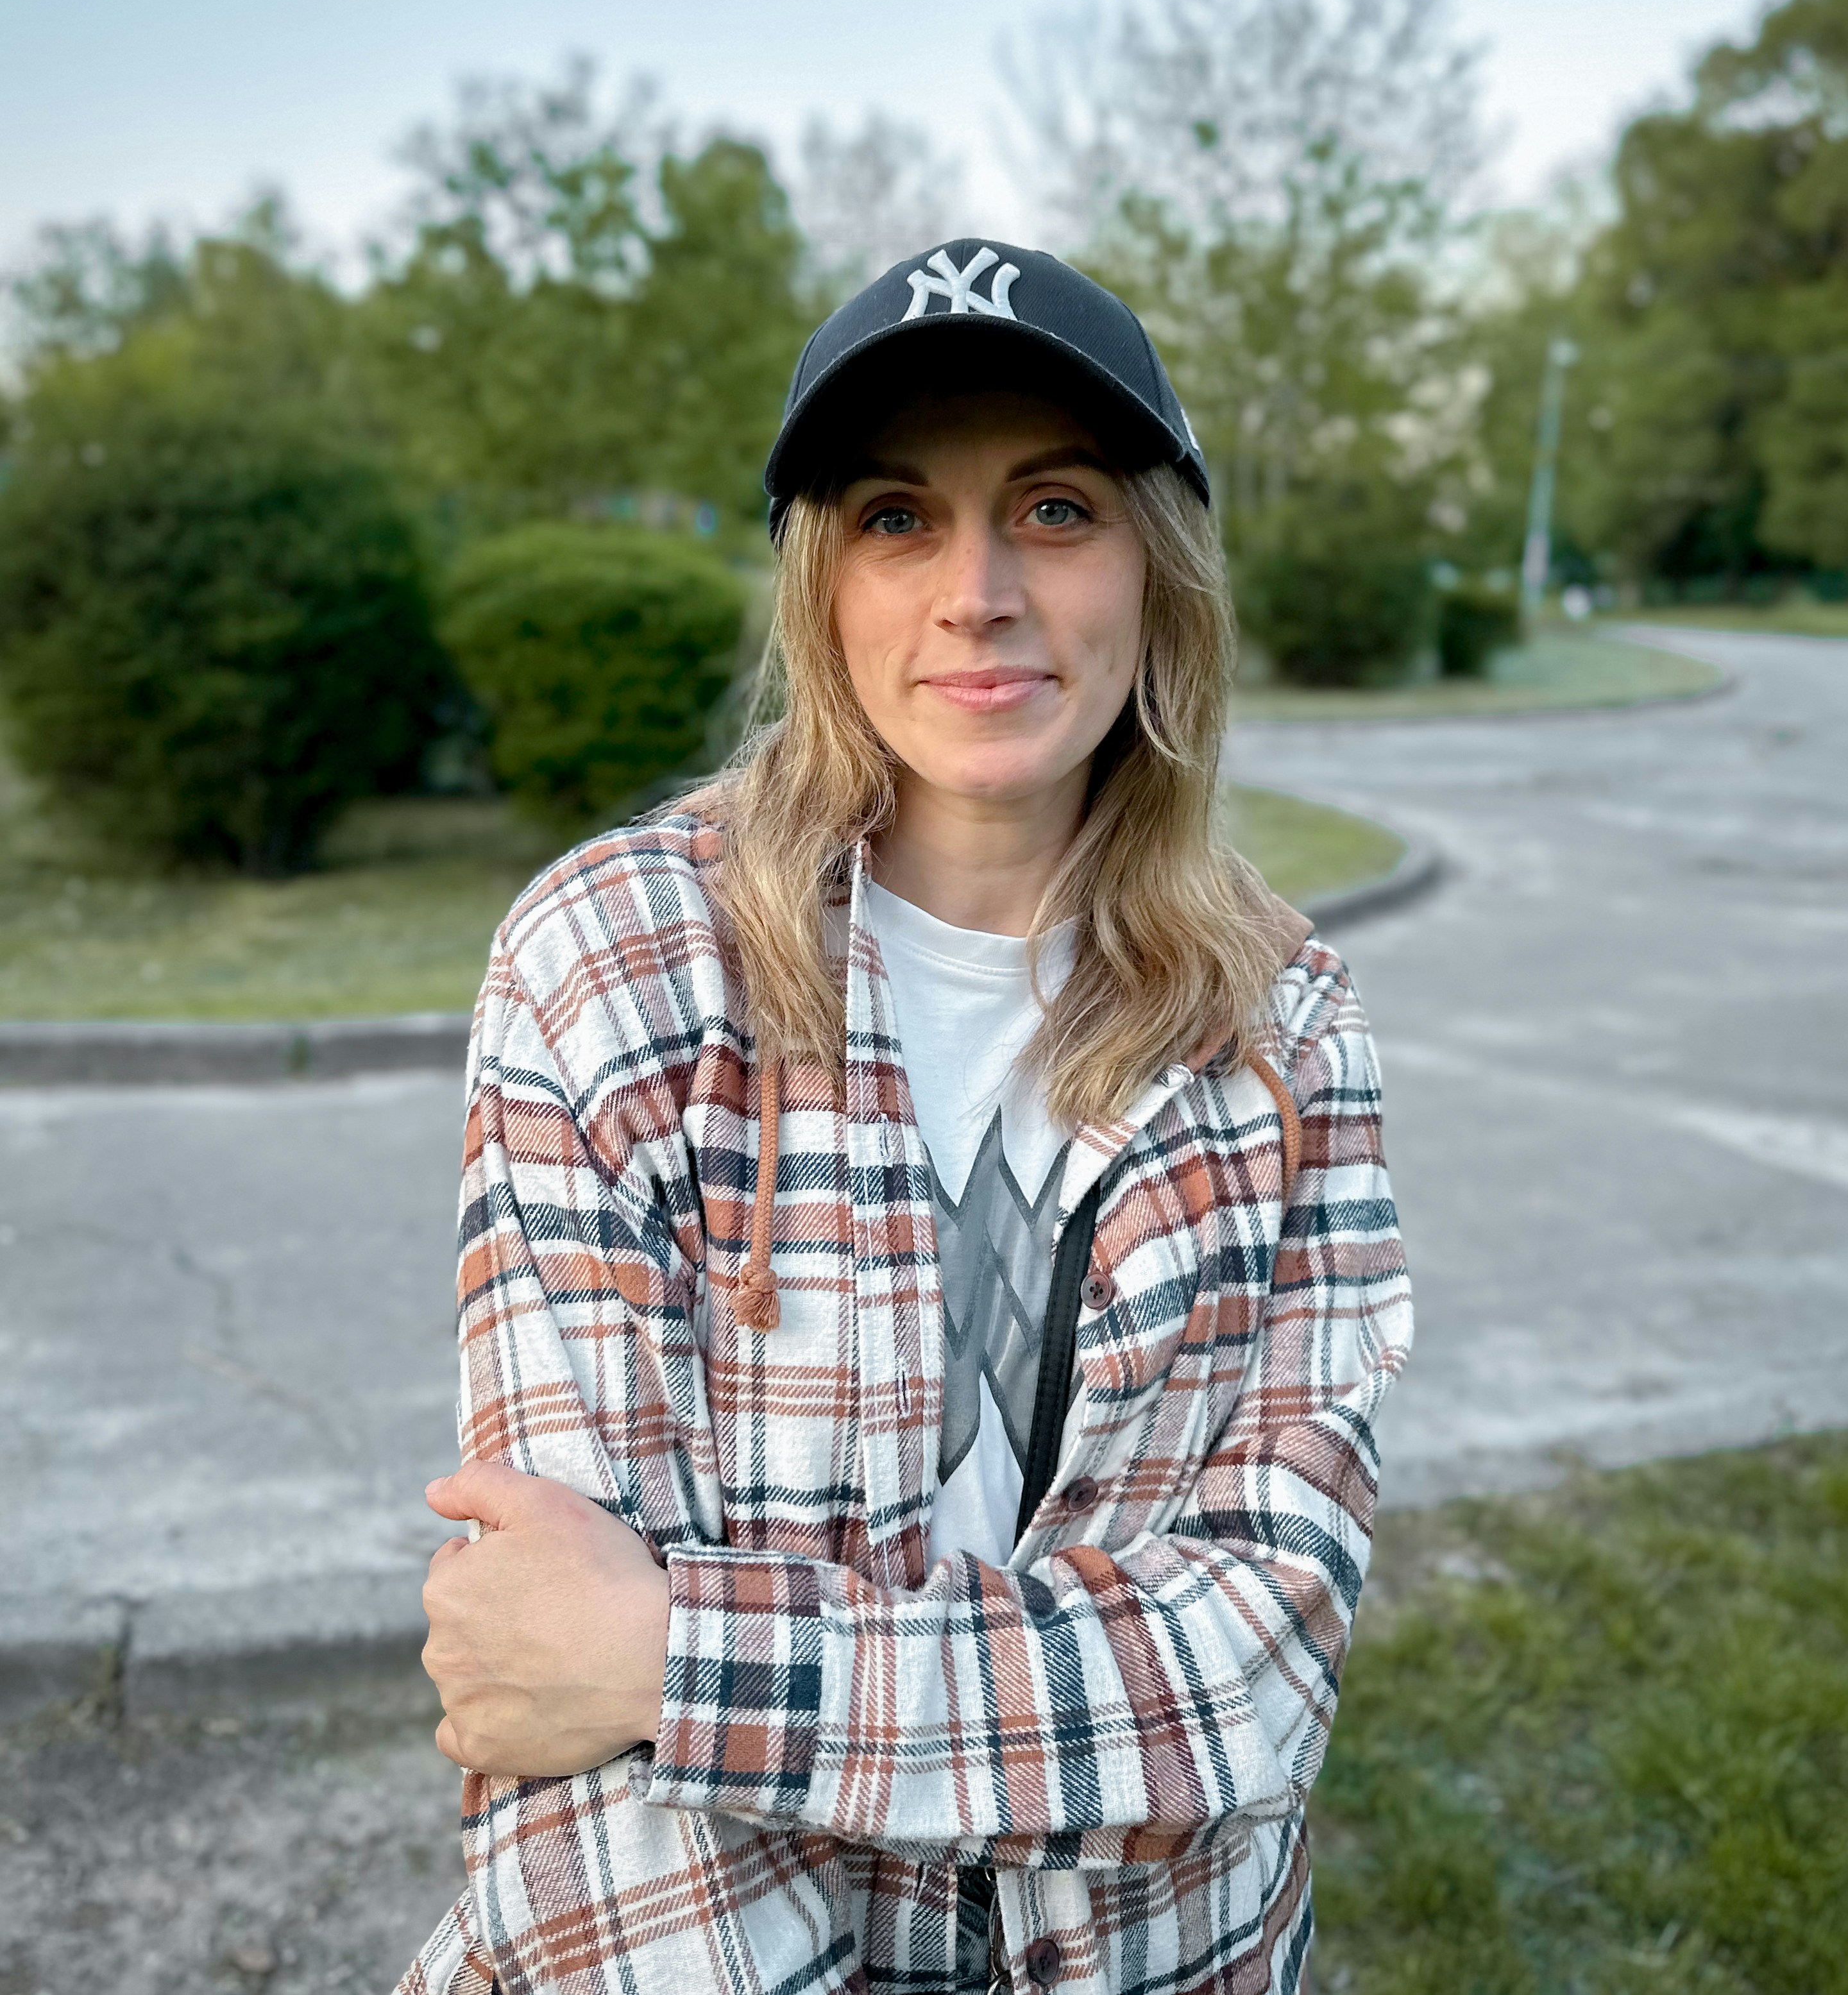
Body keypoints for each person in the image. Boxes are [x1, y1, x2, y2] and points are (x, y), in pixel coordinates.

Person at [400, 241, 1412, 1995]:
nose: (976, 591)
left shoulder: (1282, 1023)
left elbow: (1241, 1677)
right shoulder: (614, 967)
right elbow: (559, 1726)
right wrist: (610, 1665)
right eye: (894, 516)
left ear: (1157, 571)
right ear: (821, 584)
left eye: (1053, 507)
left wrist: (678, 1663)